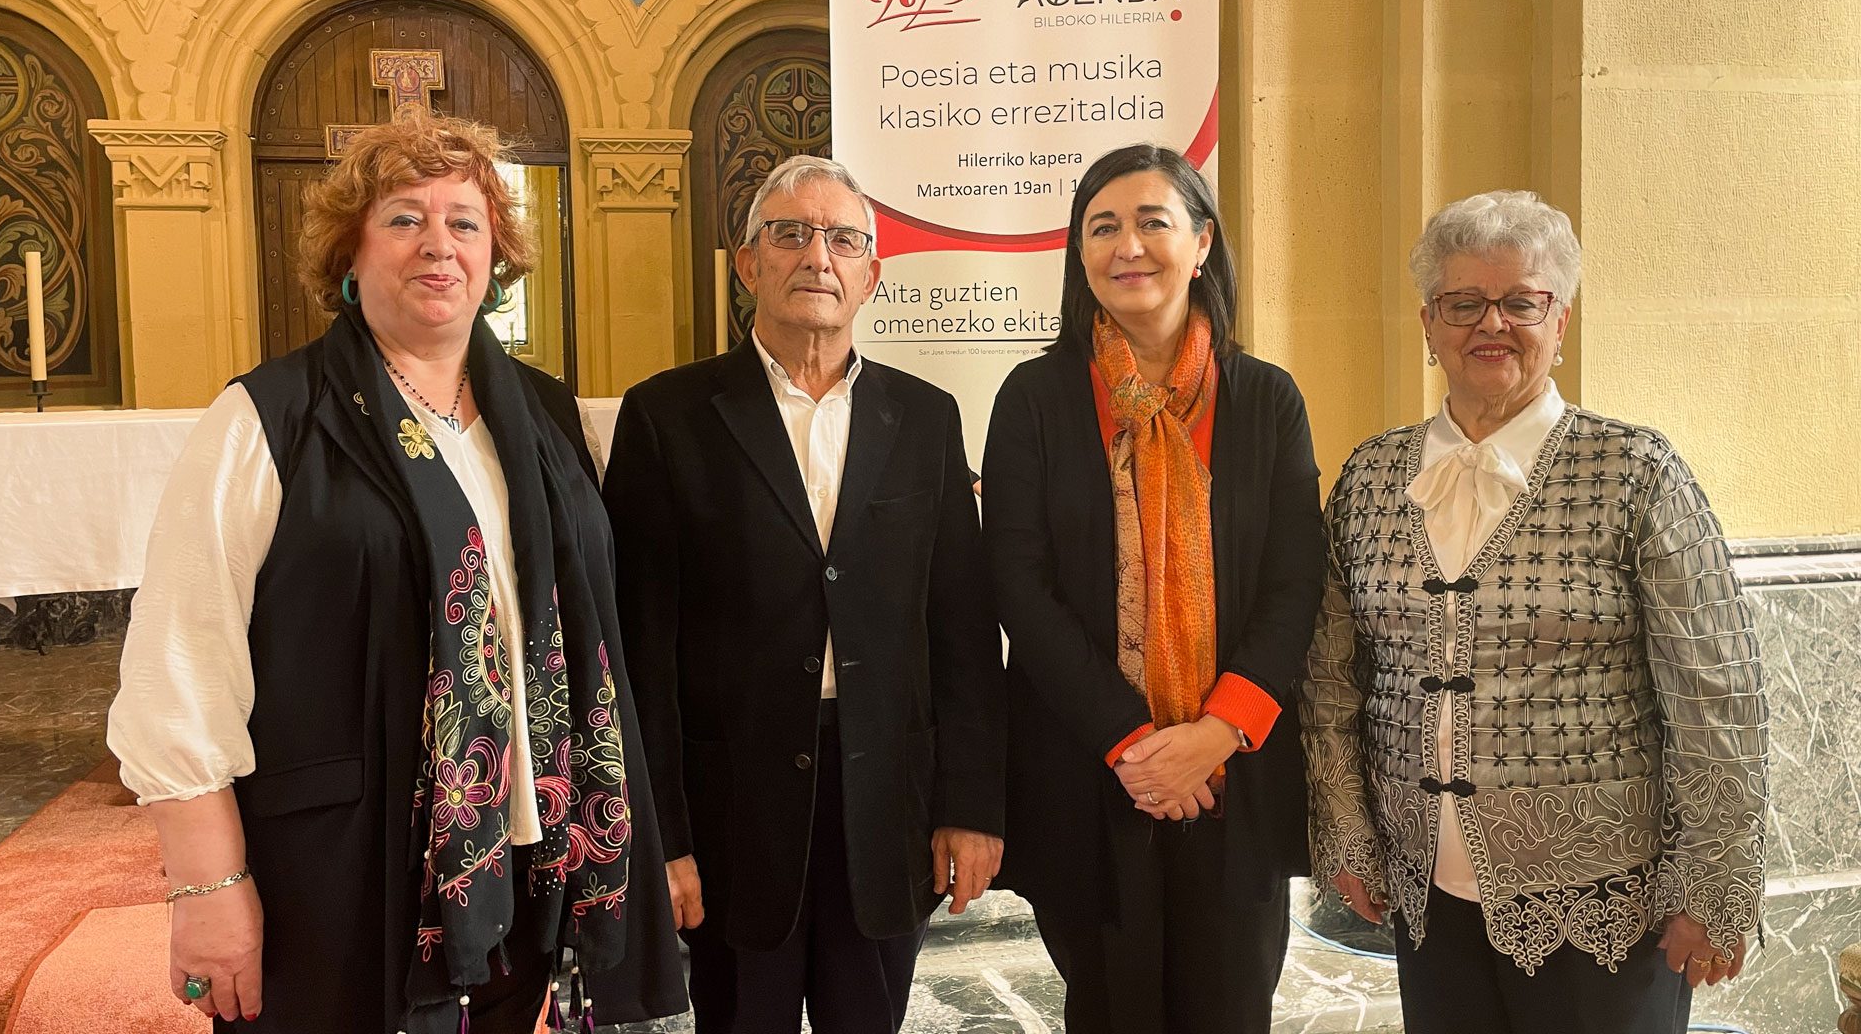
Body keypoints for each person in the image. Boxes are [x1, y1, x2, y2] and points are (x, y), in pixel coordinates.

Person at [107, 113, 684, 1034]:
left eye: (465, 222)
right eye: (405, 218)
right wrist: (208, 884)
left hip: (525, 855)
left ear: (497, 254)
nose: (439, 245)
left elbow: (585, 636)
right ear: (350, 248)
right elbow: (181, 663)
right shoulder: (269, 417)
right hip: (340, 865)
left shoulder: (541, 412)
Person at [1300, 190, 1769, 1034]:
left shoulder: (1637, 471)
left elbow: (1718, 694)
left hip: (1607, 904)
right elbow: (1333, 679)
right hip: (1426, 893)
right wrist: (1347, 833)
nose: (1493, 324)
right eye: (1464, 303)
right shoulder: (1370, 478)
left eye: (1522, 301)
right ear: (1429, 323)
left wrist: (1714, 883)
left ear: (1561, 321)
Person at [603, 154, 1006, 1033]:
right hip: (730, 815)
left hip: (886, 807)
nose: (816, 255)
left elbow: (964, 631)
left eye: (842, 239)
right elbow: (641, 649)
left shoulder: (926, 418)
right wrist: (662, 834)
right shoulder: (666, 418)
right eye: (789, 233)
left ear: (870, 273)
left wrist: (971, 808)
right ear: (747, 266)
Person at [982, 143, 1325, 1033]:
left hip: (1234, 775)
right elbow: (1019, 586)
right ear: (1080, 254)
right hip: (1092, 775)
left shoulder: (1266, 401)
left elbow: (1296, 584)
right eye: (1103, 227)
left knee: (1231, 1008)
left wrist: (1214, 734)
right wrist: (1138, 745)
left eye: (1151, 222)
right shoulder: (1034, 399)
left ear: (1202, 242)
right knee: (1107, 1008)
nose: (1127, 245)